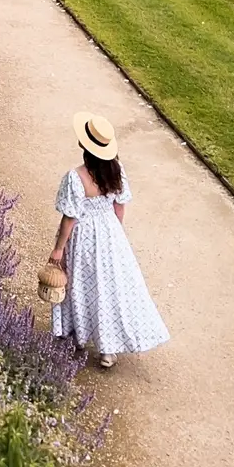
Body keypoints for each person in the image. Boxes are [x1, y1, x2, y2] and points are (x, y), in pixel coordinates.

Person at [47, 111, 169, 369]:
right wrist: (115, 235)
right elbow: (120, 206)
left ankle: (78, 336)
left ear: (84, 145)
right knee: (110, 287)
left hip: (83, 237)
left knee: (81, 284)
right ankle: (108, 350)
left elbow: (70, 218)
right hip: (110, 232)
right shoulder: (116, 170)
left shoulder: (76, 177)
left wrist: (58, 249)